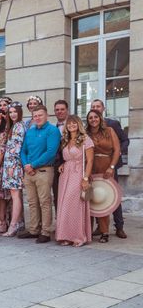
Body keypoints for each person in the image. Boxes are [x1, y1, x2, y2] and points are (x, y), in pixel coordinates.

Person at [19, 105, 61, 243]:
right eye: (35, 116)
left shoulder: (52, 131)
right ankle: (34, 230)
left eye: (40, 115)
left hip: (44, 170)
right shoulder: (30, 132)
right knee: (32, 202)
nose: (37, 118)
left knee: (44, 202)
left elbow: (50, 152)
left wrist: (33, 165)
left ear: (46, 115)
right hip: (29, 172)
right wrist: (26, 165)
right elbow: (23, 150)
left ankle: (45, 232)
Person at [90, 99, 129, 239]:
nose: (96, 109)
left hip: (109, 166)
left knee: (113, 196)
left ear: (103, 108)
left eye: (98, 106)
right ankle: (100, 227)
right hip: (93, 167)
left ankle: (119, 227)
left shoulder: (112, 125)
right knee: (96, 196)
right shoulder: (88, 128)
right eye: (93, 107)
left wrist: (116, 155)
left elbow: (125, 141)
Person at [56, 115, 94, 247]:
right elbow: (66, 157)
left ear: (78, 124)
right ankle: (65, 235)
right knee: (63, 204)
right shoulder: (65, 139)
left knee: (74, 204)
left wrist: (85, 178)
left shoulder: (85, 139)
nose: (71, 126)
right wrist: (62, 164)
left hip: (78, 174)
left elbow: (90, 161)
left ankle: (78, 236)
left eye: (74, 123)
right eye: (69, 124)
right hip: (65, 174)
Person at [86, 109, 120, 243]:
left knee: (103, 199)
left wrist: (112, 167)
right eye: (90, 118)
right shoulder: (86, 134)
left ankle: (104, 231)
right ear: (87, 121)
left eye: (95, 117)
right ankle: (88, 230)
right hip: (90, 167)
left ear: (100, 118)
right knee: (89, 199)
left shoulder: (109, 131)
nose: (93, 119)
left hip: (106, 167)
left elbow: (117, 150)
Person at [2, 102, 27, 237]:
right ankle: (19, 222)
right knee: (15, 195)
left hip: (14, 164)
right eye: (10, 112)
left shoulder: (19, 126)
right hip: (10, 164)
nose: (12, 114)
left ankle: (13, 225)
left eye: (14, 111)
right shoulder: (13, 126)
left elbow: (17, 148)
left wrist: (12, 166)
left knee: (15, 195)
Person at [52, 100, 69, 211]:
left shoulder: (74, 126)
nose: (60, 112)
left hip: (70, 164)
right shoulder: (53, 128)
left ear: (67, 110)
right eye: (57, 110)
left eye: (62, 109)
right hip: (55, 165)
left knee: (70, 195)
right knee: (57, 194)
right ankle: (60, 224)